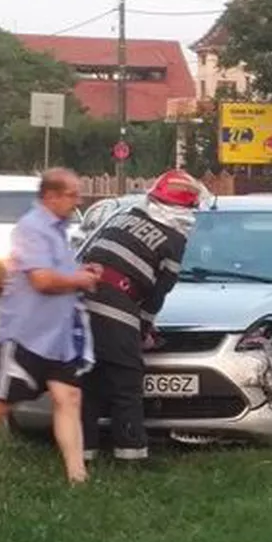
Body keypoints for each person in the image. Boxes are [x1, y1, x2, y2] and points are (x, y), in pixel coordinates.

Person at [0, 168, 100, 484]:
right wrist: (78, 280)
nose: (78, 201)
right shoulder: (32, 229)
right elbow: (42, 280)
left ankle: (77, 476)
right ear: (51, 196)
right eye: (72, 194)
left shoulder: (59, 231)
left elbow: (59, 272)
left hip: (58, 340)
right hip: (25, 337)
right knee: (2, 403)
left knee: (69, 398)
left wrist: (81, 271)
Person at [80, 169, 204, 464]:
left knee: (90, 381)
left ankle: (83, 453)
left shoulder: (124, 217)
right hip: (116, 309)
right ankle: (131, 456)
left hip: (82, 304)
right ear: (185, 208)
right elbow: (160, 291)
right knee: (126, 384)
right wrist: (143, 329)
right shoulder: (174, 238)